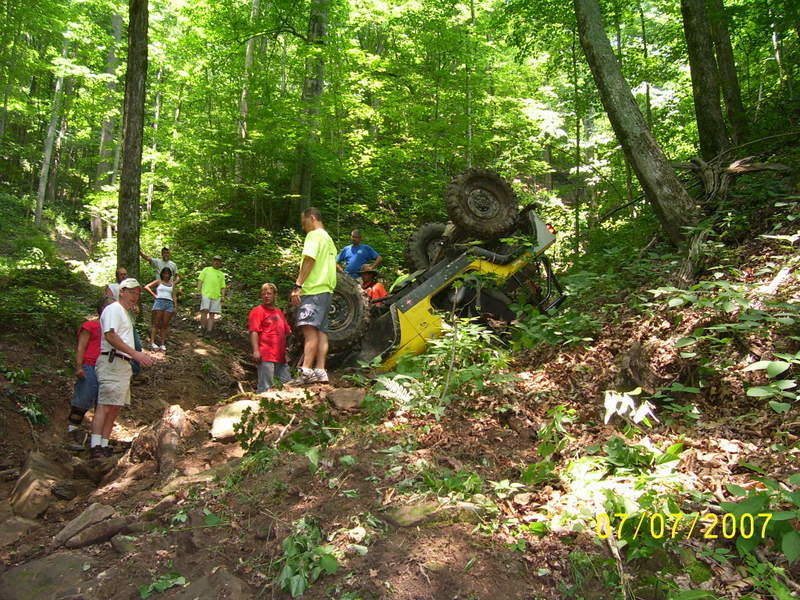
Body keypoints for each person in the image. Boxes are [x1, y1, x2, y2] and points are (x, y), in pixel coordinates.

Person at [91, 279, 154, 459]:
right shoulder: (114, 309)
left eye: (138, 293)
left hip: (123, 363)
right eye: (132, 292)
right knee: (105, 404)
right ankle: (96, 445)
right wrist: (135, 354)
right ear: (122, 291)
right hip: (112, 361)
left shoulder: (124, 313)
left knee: (115, 405)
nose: (136, 296)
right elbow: (110, 335)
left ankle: (104, 443)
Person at [288, 207, 337, 385]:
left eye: (304, 222)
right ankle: (320, 370)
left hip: (314, 289)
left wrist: (298, 285)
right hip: (326, 290)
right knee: (321, 331)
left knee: (309, 329)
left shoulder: (314, 236)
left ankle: (306, 371)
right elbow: (334, 265)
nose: (303, 227)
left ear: (313, 217)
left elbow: (309, 259)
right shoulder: (328, 239)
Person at [64, 297, 114, 451]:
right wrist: (79, 367)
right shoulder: (90, 326)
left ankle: (97, 441)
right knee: (83, 398)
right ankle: (72, 433)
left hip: (107, 368)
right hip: (90, 366)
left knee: (102, 404)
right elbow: (81, 347)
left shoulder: (113, 330)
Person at [248, 283, 292, 393]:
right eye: (263, 294)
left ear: (275, 295)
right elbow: (254, 331)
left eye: (269, 293)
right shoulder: (257, 311)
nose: (266, 296)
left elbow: (286, 332)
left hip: (280, 356)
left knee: (287, 385)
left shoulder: (279, 312)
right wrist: (256, 351)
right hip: (266, 355)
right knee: (265, 387)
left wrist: (285, 352)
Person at [144, 267, 177, 352]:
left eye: (168, 274)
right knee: (156, 323)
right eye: (165, 273)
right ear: (162, 274)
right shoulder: (158, 281)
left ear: (170, 275)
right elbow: (147, 287)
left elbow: (174, 296)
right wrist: (154, 295)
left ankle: (162, 344)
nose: (166, 275)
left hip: (169, 304)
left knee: (165, 325)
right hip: (159, 302)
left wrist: (175, 306)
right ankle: (152, 342)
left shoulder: (172, 284)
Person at [197, 255, 226, 334]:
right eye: (215, 260)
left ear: (220, 263)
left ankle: (209, 331)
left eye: (218, 261)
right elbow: (200, 280)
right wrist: (198, 290)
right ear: (212, 261)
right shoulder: (206, 269)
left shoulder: (221, 274)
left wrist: (223, 296)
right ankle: (202, 328)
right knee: (204, 311)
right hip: (206, 294)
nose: (217, 262)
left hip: (216, 296)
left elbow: (223, 287)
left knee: (212, 314)